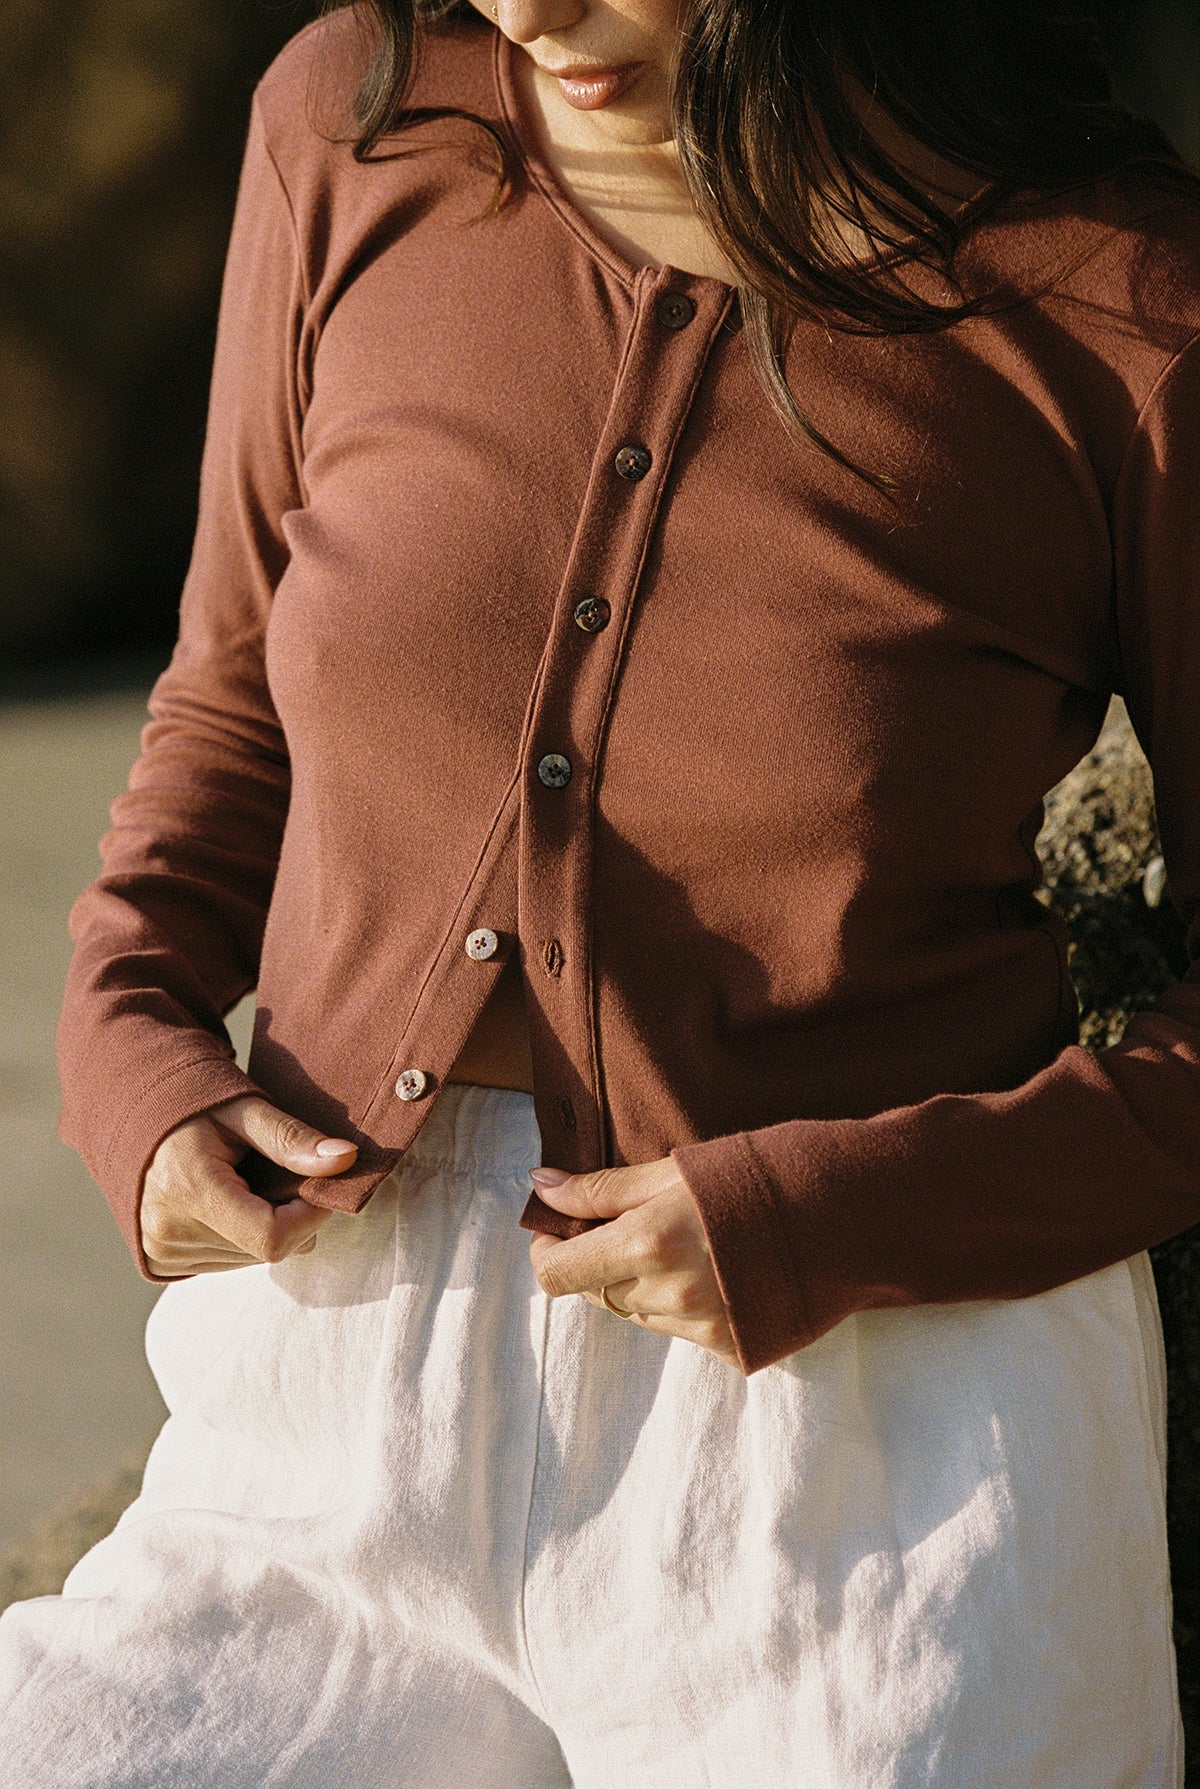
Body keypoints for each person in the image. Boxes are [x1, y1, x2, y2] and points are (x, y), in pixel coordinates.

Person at [1, 0, 1198, 1781]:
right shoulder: (357, 120)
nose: (531, 8)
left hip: (884, 1442)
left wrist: (852, 1209)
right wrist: (131, 1056)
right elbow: (233, 694)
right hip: (322, 1395)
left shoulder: (1121, 298)